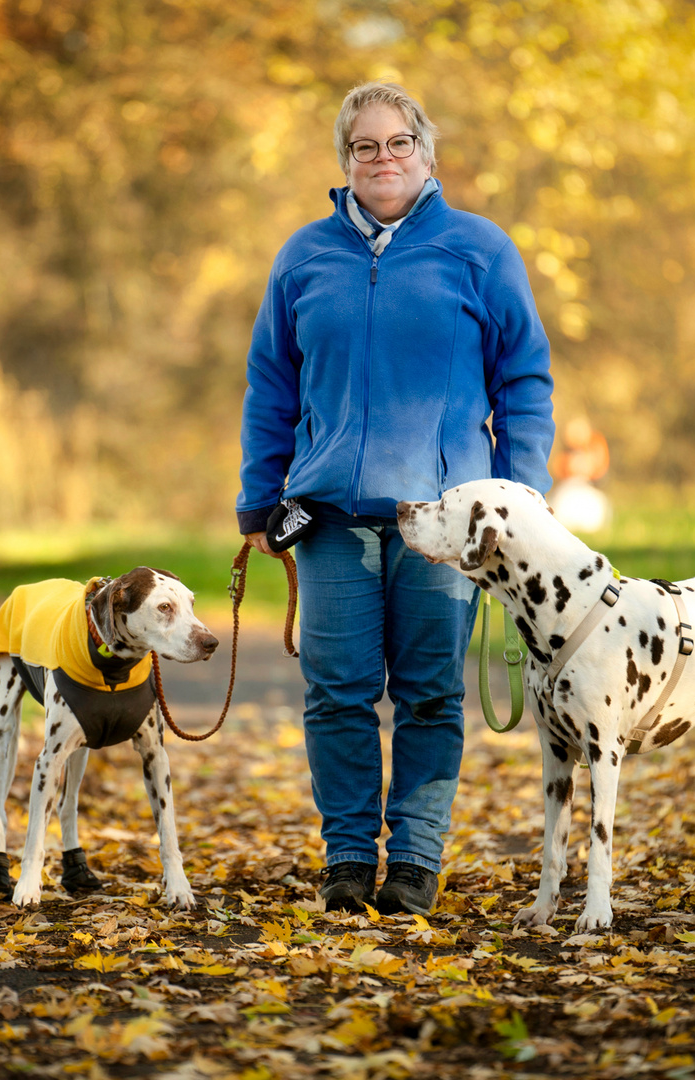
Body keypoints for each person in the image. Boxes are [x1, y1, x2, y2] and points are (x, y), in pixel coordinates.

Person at [236, 82, 555, 915]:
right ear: (345, 162)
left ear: (428, 152)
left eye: (398, 143)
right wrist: (256, 495)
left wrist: (521, 500)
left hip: (446, 524)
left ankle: (414, 857)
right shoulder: (303, 257)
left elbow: (524, 381)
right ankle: (346, 856)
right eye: (364, 147)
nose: (383, 159)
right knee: (337, 689)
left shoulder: (480, 251)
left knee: (428, 693)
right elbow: (271, 383)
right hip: (331, 518)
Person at [547, 416, 612, 533]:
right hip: (568, 490)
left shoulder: (595, 449)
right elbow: (557, 472)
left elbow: (601, 474)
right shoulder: (564, 455)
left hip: (587, 490)